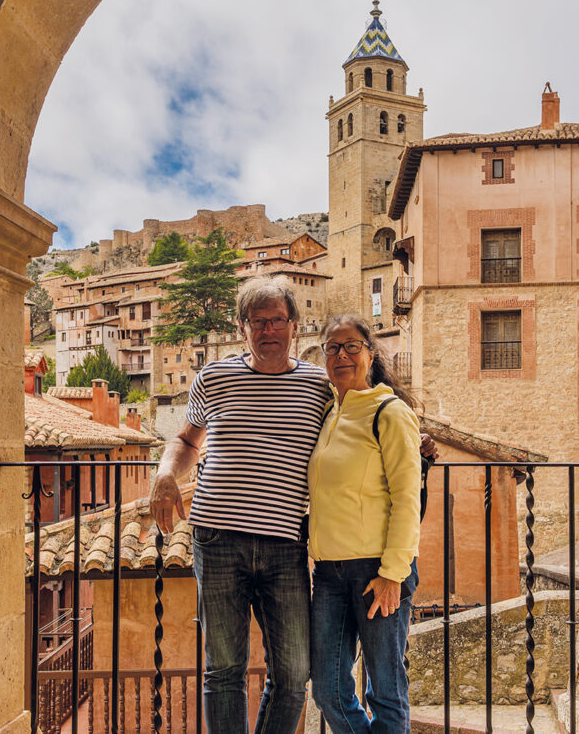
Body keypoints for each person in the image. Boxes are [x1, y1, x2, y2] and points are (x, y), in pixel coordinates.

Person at [149, 277, 434, 734]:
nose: (268, 330)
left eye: (277, 320)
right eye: (257, 321)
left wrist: (418, 443)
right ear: (242, 327)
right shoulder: (213, 378)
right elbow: (186, 440)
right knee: (223, 669)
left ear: (294, 327)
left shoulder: (318, 384)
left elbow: (366, 409)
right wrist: (165, 473)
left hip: (286, 546)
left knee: (294, 673)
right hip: (217, 540)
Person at [309, 314, 422, 734]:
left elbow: (407, 498)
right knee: (328, 690)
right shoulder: (328, 413)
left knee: (386, 694)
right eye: (332, 348)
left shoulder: (389, 411)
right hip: (329, 575)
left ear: (370, 355)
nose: (341, 355)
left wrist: (393, 574)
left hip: (377, 570)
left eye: (351, 346)